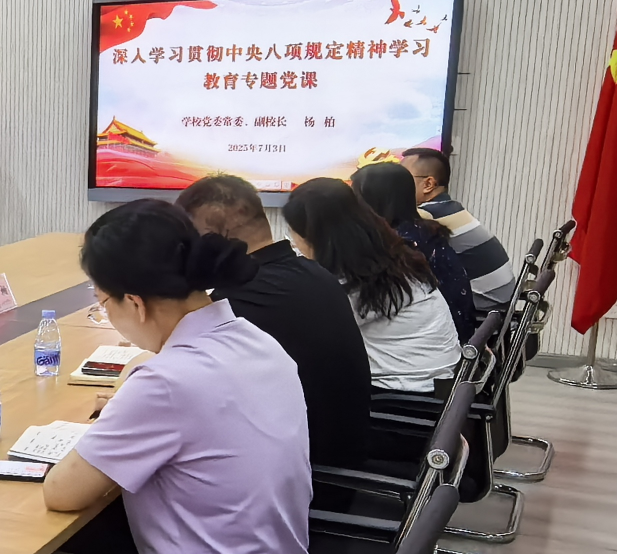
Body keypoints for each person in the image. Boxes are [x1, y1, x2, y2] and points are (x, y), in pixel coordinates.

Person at [0, 201, 312, 554]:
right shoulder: (256, 341)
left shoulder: (168, 383)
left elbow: (62, 493)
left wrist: (123, 404)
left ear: (135, 303)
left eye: (102, 302)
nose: (107, 315)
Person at [176, 173, 370, 468]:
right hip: (338, 453)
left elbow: (183, 389)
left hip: (303, 473)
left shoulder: (240, 303)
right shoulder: (313, 272)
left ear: (217, 235)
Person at [282, 178, 461, 394]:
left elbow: (303, 332)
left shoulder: (356, 281)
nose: (295, 244)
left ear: (318, 239)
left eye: (295, 236)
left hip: (406, 395)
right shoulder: (386, 256)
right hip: (438, 382)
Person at [353, 161, 477, 341]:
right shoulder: (425, 230)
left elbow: (364, 307)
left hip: (438, 340)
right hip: (459, 334)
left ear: (370, 201)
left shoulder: (397, 244)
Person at [400, 147, 515, 310]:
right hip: (500, 299)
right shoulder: (450, 207)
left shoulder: (427, 214)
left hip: (484, 307)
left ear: (428, 184)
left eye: (402, 178)